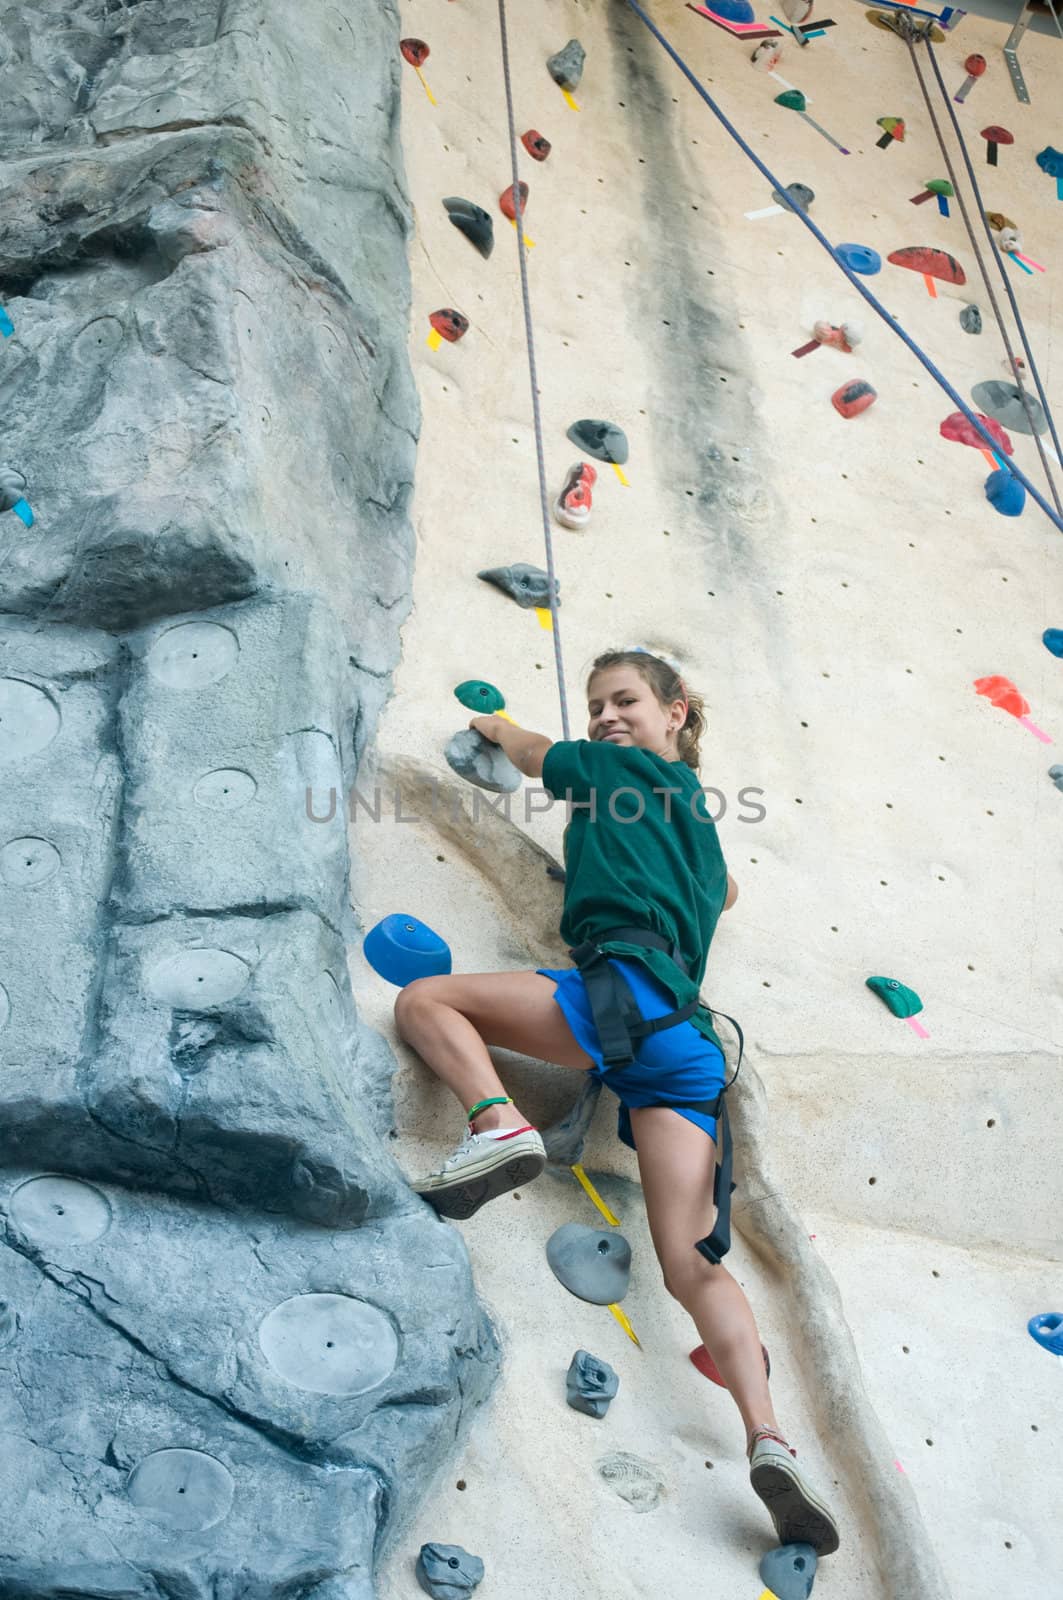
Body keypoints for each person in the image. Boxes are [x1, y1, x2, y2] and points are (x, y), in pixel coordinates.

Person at [394, 647, 839, 1556]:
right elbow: (724, 891)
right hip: (685, 1049)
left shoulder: (618, 768)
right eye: (596, 706)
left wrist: (492, 725)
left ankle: (496, 1126)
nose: (603, 716)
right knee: (693, 1267)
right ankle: (768, 1438)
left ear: (676, 712)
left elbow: (529, 753)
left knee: (425, 1002)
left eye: (624, 700)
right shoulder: (704, 843)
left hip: (622, 996)